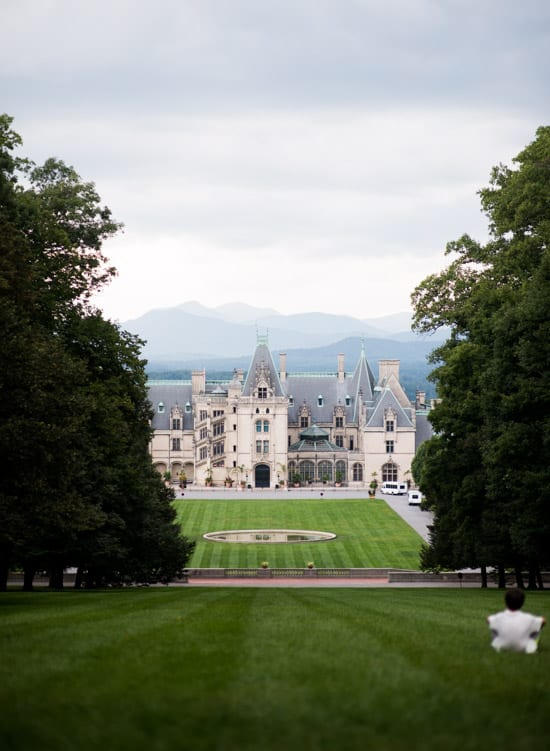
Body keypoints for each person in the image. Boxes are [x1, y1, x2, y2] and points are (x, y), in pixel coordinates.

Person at [487, 588, 546, 654]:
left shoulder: (499, 617)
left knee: (494, 627)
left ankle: (497, 644)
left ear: (505, 602)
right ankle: (532, 644)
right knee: (537, 627)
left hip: (502, 647)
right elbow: (543, 621)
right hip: (524, 647)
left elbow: (488, 619)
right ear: (522, 603)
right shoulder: (528, 618)